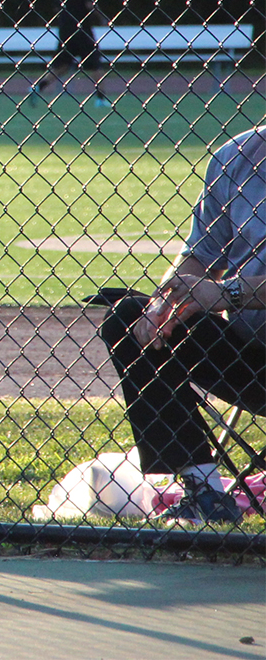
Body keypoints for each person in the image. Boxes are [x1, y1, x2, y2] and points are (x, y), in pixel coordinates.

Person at [98, 124, 266, 524]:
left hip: (239, 310)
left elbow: (220, 288)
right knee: (128, 317)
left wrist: (226, 294)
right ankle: (205, 492)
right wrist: (163, 306)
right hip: (251, 357)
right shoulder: (237, 156)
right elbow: (200, 254)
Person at [32, 0, 110, 107]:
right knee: (95, 64)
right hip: (82, 29)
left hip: (66, 29)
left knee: (62, 64)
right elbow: (90, 6)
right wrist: (102, 18)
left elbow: (56, 7)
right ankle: (100, 99)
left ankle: (38, 87)